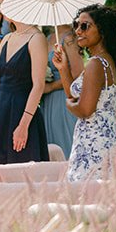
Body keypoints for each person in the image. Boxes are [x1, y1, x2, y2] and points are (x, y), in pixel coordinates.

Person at [55, 4, 116, 181]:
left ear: (102, 30)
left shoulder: (96, 64)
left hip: (95, 146)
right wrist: (63, 68)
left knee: (86, 201)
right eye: (76, 25)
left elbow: (84, 110)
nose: (78, 31)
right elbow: (76, 97)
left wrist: (68, 104)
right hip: (101, 142)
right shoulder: (103, 60)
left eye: (85, 26)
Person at [0, 0, 48, 165]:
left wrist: (24, 124)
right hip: (0, 110)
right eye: (1, 3)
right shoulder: (7, 38)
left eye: (6, 2)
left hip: (22, 110)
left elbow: (38, 85)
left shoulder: (36, 38)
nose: (2, 8)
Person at [39, 24, 77, 159]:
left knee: (63, 143)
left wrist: (51, 86)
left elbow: (78, 75)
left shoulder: (69, 39)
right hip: (46, 102)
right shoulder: (48, 37)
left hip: (61, 98)